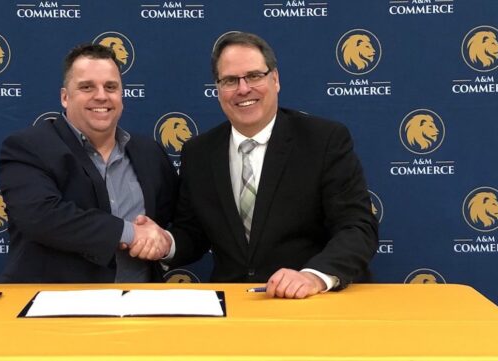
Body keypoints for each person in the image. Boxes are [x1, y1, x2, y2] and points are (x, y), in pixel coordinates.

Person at [150, 32, 378, 298]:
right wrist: (166, 243)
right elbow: (193, 233)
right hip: (234, 305)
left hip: (313, 303)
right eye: (230, 80)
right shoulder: (199, 152)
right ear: (217, 88)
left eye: (254, 76)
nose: (243, 89)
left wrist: (313, 277)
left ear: (275, 79)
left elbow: (357, 227)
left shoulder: (324, 141)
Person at [0, 44, 177, 283]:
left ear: (122, 95)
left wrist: (164, 242)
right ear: (65, 97)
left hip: (140, 309)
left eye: (111, 87)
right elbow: (41, 216)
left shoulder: (150, 152)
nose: (101, 95)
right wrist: (131, 234)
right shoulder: (27, 147)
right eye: (86, 87)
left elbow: (174, 219)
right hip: (55, 310)